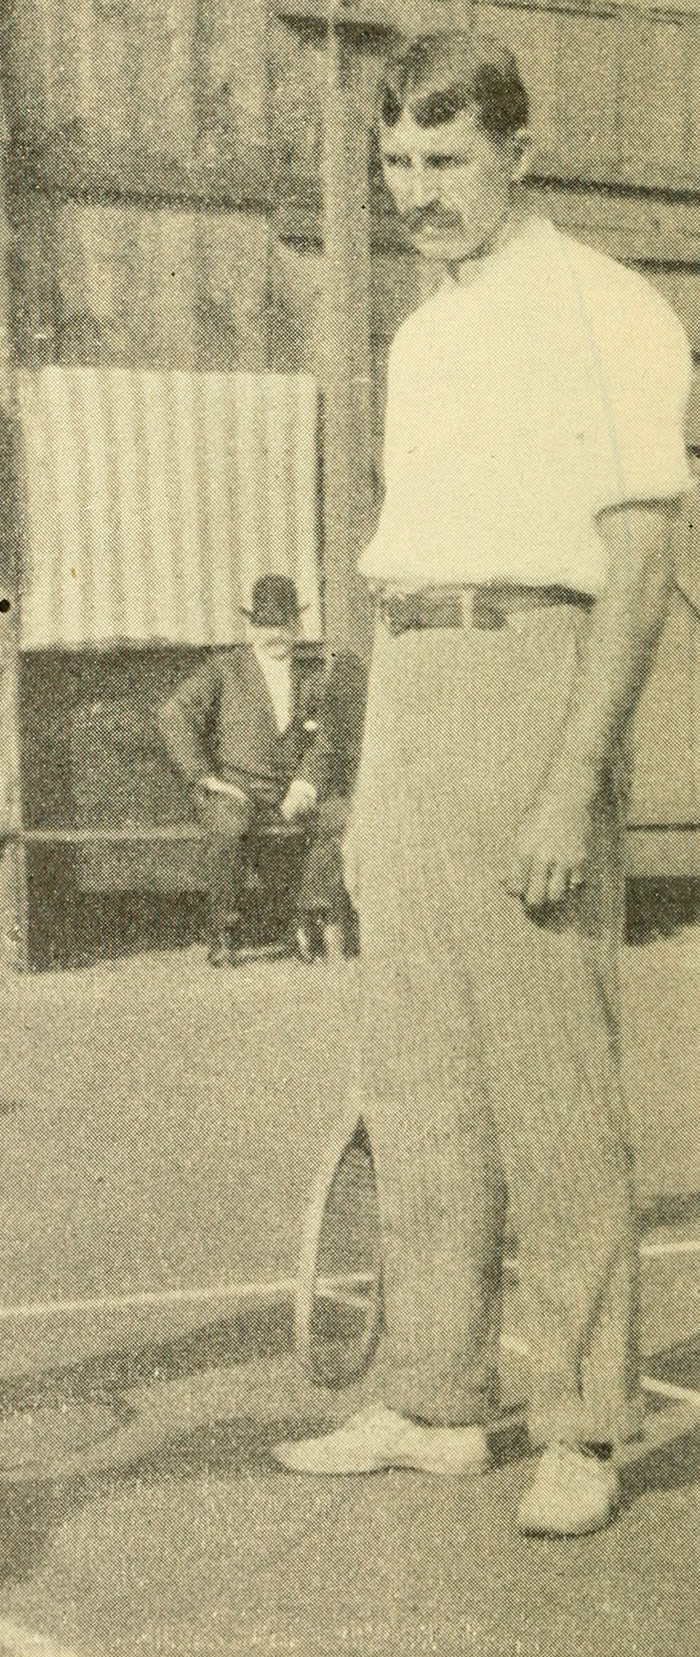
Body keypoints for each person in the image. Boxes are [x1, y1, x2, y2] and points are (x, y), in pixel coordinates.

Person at [273, 31, 693, 1537]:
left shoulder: (613, 307)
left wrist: (569, 781)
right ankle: (437, 1399)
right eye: (396, 163)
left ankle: (584, 1424)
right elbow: (409, 566)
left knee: (554, 1087)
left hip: (538, 682)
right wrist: (368, 790)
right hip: (413, 693)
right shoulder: (421, 337)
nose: (417, 191)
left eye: (446, 161)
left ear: (520, 152)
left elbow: (638, 565)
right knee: (419, 1079)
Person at [158, 574, 330, 966]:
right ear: (252, 628)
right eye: (266, 625)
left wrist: (305, 784)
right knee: (229, 827)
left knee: (333, 820)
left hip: (287, 790)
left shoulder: (312, 674)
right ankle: (224, 931)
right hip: (234, 791)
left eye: (283, 624)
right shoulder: (225, 669)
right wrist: (205, 777)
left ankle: (308, 923)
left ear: (297, 627)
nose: (275, 635)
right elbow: (173, 714)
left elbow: (326, 737)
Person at [294, 649, 368, 960]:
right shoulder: (344, 683)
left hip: (396, 790)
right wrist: (305, 786)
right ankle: (319, 916)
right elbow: (325, 747)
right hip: (349, 791)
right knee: (338, 822)